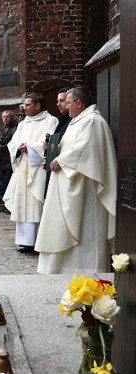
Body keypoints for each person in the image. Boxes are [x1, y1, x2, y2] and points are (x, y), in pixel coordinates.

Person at [35, 87, 117, 274]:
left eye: (68, 103)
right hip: (68, 185)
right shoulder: (77, 121)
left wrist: (61, 161)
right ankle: (62, 268)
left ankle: (86, 269)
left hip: (86, 190)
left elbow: (86, 150)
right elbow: (70, 148)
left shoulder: (93, 121)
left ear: (79, 103)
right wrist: (52, 155)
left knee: (85, 230)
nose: (65, 107)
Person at [2, 93, 58, 252]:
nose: (24, 108)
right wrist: (18, 147)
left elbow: (50, 143)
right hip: (22, 168)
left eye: (27, 105)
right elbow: (12, 143)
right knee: (23, 205)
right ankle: (25, 241)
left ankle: (39, 241)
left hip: (37, 169)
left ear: (38, 106)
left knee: (36, 203)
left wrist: (31, 147)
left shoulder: (50, 121)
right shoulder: (23, 123)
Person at [43, 87, 72, 196]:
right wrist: (50, 147)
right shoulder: (63, 120)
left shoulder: (75, 121)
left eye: (62, 100)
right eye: (57, 101)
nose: (58, 104)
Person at [0, 110, 18, 213]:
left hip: (10, 160)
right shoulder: (3, 128)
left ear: (12, 118)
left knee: (10, 184)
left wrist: (3, 147)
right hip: (2, 160)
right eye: (3, 117)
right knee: (4, 184)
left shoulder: (15, 128)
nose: (5, 119)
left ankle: (11, 205)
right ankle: (6, 204)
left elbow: (13, 143)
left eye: (7, 117)